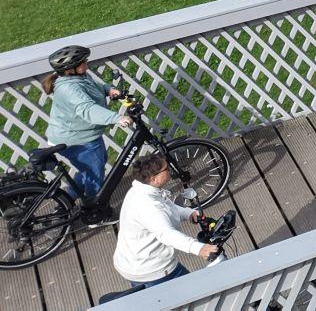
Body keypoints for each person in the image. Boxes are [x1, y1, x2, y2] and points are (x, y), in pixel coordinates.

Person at [103, 151, 218, 301]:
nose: (169, 169)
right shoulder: (148, 206)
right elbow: (166, 234)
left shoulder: (144, 190)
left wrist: (188, 213)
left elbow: (166, 206)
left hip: (134, 261)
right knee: (195, 297)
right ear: (154, 178)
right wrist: (199, 248)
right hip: (152, 268)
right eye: (166, 169)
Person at [41, 44, 128, 224]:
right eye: (83, 62)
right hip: (77, 140)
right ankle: (95, 212)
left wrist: (108, 89)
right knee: (95, 174)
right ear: (70, 69)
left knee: (93, 167)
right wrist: (116, 118)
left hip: (80, 135)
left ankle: (68, 198)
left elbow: (94, 86)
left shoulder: (78, 77)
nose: (87, 64)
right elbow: (87, 110)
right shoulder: (69, 89)